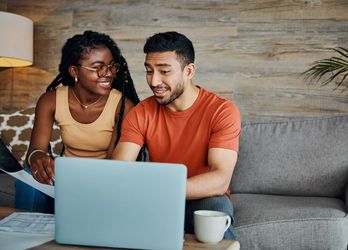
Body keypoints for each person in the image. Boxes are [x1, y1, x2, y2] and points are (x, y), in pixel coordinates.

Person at [112, 31, 241, 239]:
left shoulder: (222, 110)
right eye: (149, 71)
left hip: (203, 197)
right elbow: (117, 170)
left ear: (189, 71)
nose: (154, 81)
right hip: (156, 199)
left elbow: (219, 180)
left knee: (216, 209)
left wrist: (161, 190)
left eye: (164, 71)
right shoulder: (141, 112)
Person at [15, 30, 141, 213]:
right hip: (65, 178)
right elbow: (35, 150)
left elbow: (116, 166)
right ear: (74, 71)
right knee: (28, 176)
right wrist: (38, 159)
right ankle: (25, 233)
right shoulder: (50, 100)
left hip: (103, 181)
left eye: (112, 66)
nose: (108, 74)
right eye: (98, 67)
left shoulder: (122, 105)